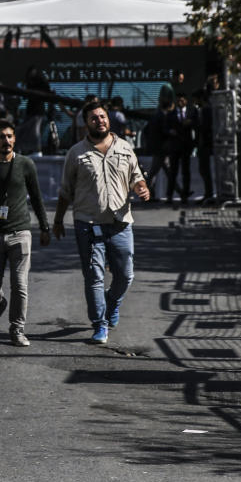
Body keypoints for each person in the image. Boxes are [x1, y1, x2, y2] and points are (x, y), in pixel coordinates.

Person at [53, 101, 150, 345]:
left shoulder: (125, 147)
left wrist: (142, 188)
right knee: (94, 276)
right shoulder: (76, 153)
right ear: (86, 123)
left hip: (120, 222)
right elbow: (66, 191)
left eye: (103, 117)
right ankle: (99, 324)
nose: (100, 121)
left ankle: (112, 303)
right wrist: (57, 221)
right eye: (94, 118)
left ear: (109, 119)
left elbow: (136, 176)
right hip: (88, 223)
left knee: (125, 275)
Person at [0, 119, 50, 347]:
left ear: (15, 139)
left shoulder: (25, 164)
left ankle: (17, 329)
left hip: (20, 233)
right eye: (2, 136)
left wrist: (45, 227)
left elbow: (37, 198)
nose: (6, 140)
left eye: (10, 136)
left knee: (20, 284)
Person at [166, 92, 196, 204]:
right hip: (174, 146)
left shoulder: (191, 113)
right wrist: (170, 131)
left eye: (182, 100)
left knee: (185, 172)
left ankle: (185, 194)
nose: (180, 102)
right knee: (173, 172)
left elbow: (196, 126)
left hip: (186, 146)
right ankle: (169, 195)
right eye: (178, 100)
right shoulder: (171, 114)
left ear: (186, 101)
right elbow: (165, 128)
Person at [145, 85, 173, 201]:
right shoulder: (162, 116)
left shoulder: (156, 115)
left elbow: (147, 130)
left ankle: (150, 195)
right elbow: (163, 131)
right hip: (161, 148)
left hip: (159, 148)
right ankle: (149, 195)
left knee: (161, 173)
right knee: (157, 173)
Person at [193, 89, 215, 203]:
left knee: (205, 170)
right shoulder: (203, 110)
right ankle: (208, 193)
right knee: (203, 170)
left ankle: (209, 194)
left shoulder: (206, 110)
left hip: (205, 144)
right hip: (202, 144)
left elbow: (205, 127)